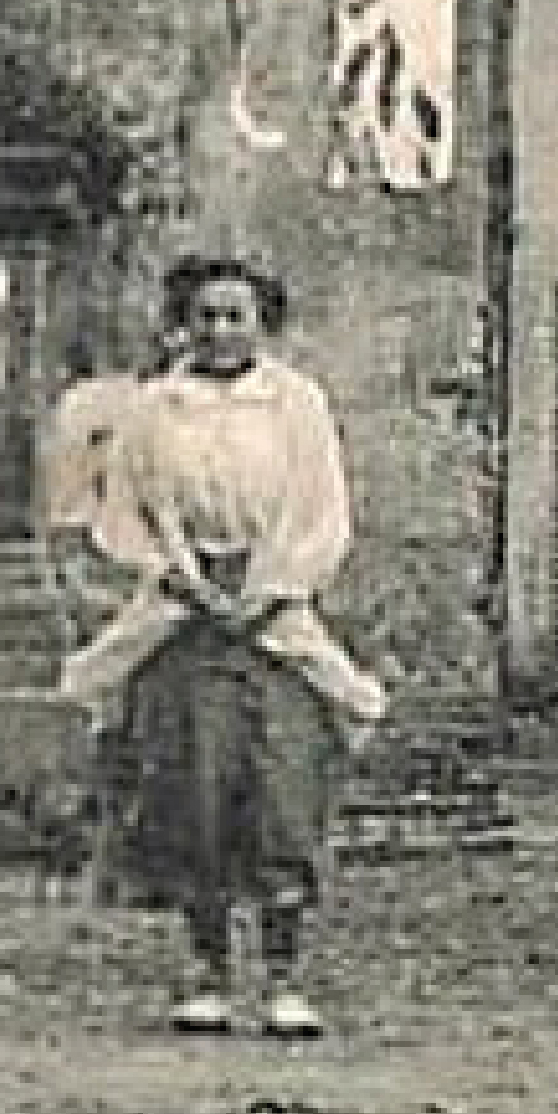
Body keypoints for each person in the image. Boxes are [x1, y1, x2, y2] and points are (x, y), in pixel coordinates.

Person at [58, 255, 384, 1039]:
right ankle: (206, 970)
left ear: (263, 324)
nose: (220, 330)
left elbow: (321, 509)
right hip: (185, 614)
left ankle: (283, 975)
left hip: (273, 614)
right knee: (194, 796)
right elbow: (123, 510)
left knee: (280, 795)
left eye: (236, 315)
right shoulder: (154, 409)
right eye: (205, 315)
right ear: (184, 323)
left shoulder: (297, 405)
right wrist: (180, 581)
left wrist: (272, 589)